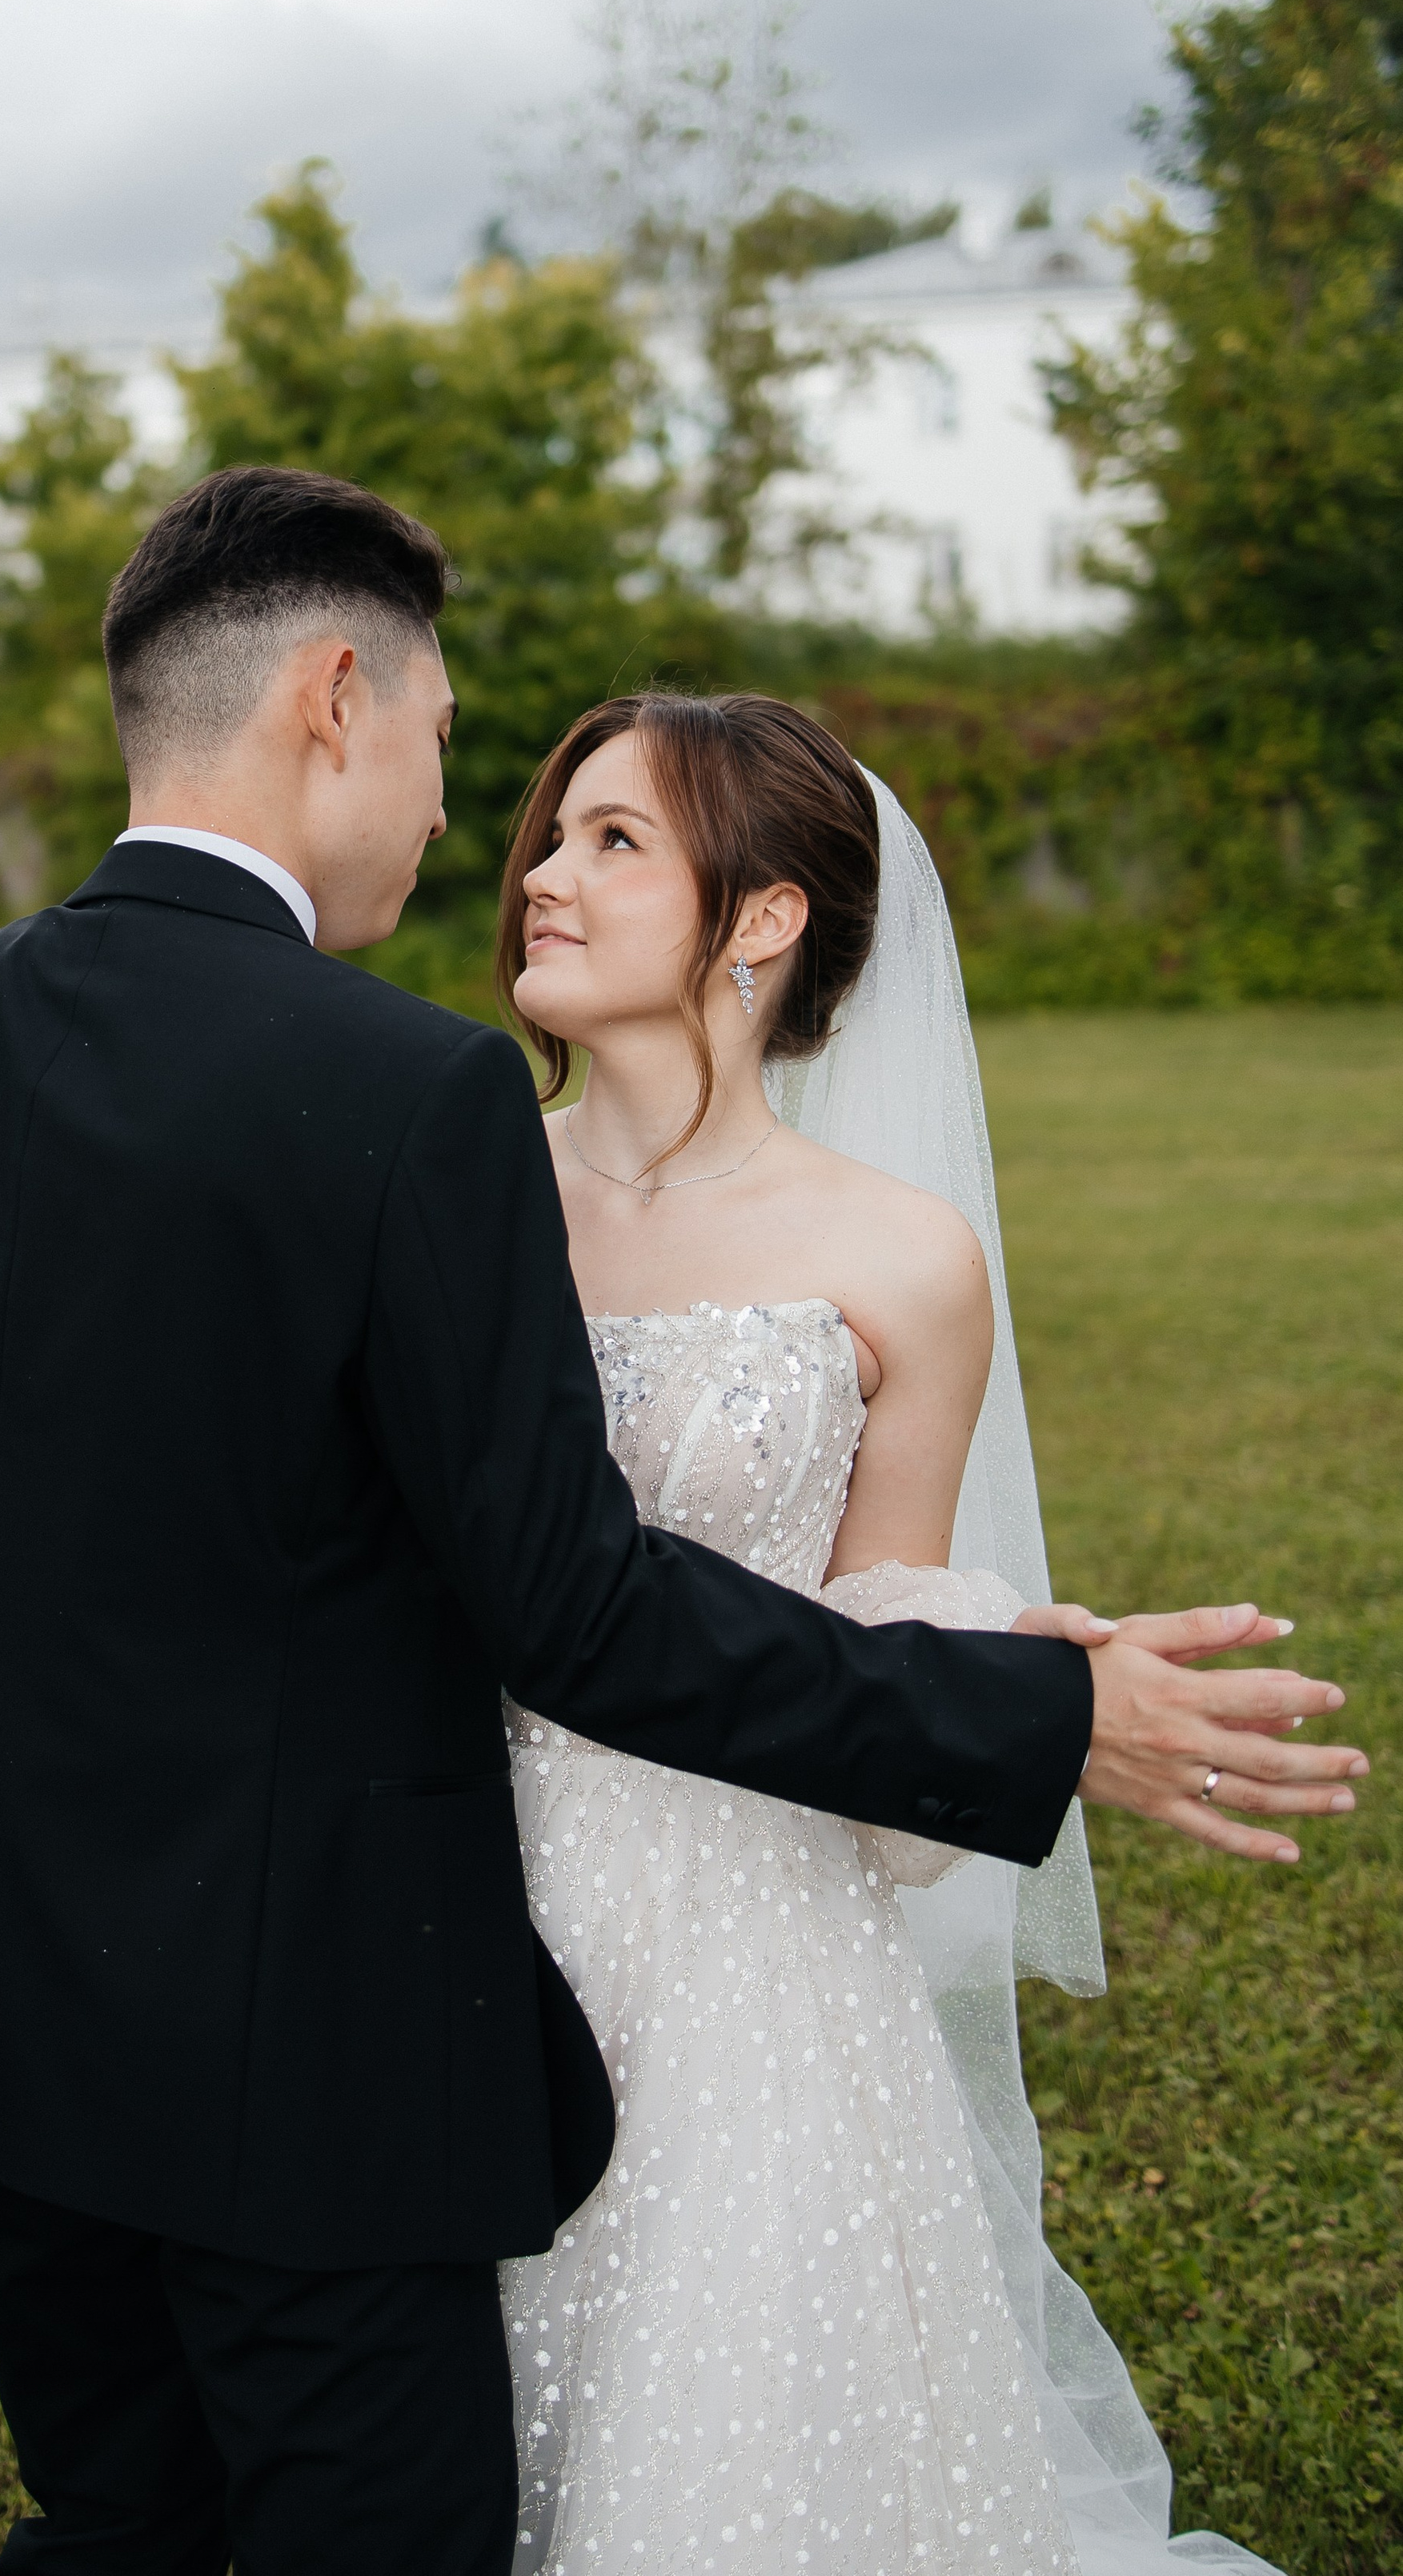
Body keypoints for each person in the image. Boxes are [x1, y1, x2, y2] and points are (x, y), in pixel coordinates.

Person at [0, 468, 1360, 2576]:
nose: (477, 827)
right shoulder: (406, 1096)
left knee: (128, 2505)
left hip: (21, 1999)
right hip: (322, 1995)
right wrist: (1026, 1714)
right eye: (464, 752)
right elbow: (570, 1601)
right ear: (337, 703)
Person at [495, 690, 1321, 2575]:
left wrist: (1009, 1668)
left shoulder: (898, 1259)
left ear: (761, 919)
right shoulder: (450, 1188)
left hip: (746, 1944)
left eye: (611, 840)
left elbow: (874, 1611)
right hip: (452, 1873)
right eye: (550, 833)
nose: (539, 873)